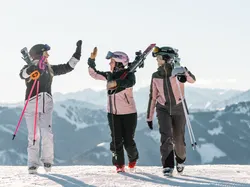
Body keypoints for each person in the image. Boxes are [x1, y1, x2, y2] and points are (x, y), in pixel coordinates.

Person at [19, 40, 82, 174]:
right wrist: (30, 70)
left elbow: (68, 67)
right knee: (33, 134)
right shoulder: (29, 67)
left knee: (47, 133)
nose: (47, 55)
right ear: (38, 55)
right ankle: (32, 164)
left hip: (46, 103)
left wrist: (77, 54)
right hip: (31, 104)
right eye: (45, 53)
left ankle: (47, 160)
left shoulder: (50, 69)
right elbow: (22, 74)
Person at [87, 47, 139, 172]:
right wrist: (91, 60)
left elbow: (130, 83)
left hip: (129, 114)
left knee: (128, 141)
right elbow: (93, 73)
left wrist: (116, 83)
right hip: (113, 114)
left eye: (112, 61)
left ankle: (133, 158)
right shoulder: (108, 75)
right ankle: (119, 165)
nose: (109, 64)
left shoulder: (129, 75)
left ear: (118, 63)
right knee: (116, 141)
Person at [146, 46, 196, 176]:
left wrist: (183, 72)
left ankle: (180, 160)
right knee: (166, 136)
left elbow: (192, 80)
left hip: (179, 107)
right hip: (162, 108)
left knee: (178, 138)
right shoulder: (156, 75)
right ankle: (168, 166)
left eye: (159, 57)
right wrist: (149, 117)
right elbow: (153, 96)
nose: (157, 60)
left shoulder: (178, 70)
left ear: (166, 58)